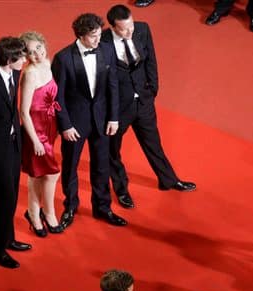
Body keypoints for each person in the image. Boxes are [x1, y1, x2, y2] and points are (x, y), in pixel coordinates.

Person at [102, 4, 196, 209]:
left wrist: (153, 89)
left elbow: (151, 60)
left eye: (131, 25)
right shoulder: (102, 41)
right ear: (112, 27)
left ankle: (169, 180)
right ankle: (121, 190)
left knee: (153, 143)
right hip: (118, 109)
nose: (130, 31)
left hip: (143, 100)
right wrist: (110, 112)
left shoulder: (143, 29)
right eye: (124, 29)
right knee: (112, 150)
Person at [52, 13, 127, 229]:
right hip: (75, 124)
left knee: (102, 165)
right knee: (71, 166)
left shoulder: (106, 50)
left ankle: (103, 207)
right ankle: (71, 207)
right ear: (82, 36)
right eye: (93, 36)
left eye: (98, 34)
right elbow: (58, 97)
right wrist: (65, 125)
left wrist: (113, 117)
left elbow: (113, 85)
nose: (98, 39)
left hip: (102, 120)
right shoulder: (64, 58)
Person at [0, 37, 31, 269]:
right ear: (8, 59)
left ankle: (8, 238)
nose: (25, 59)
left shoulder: (15, 73)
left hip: (13, 143)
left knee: (12, 193)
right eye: (20, 56)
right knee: (4, 199)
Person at [19, 31, 63, 237]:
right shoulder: (29, 74)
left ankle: (34, 213)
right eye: (30, 52)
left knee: (38, 174)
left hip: (50, 126)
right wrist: (35, 140)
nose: (36, 54)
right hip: (35, 131)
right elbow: (24, 112)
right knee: (52, 172)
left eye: (38, 47)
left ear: (43, 43)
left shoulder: (48, 63)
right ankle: (48, 212)